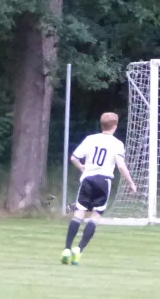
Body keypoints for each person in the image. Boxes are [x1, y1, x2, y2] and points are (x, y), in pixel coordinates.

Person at [61, 112, 137, 265]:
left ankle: (67, 249)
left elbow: (74, 158)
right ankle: (79, 249)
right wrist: (130, 183)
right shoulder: (117, 144)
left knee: (78, 214)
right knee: (95, 217)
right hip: (104, 181)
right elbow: (121, 166)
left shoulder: (91, 139)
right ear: (115, 126)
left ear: (102, 124)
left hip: (87, 179)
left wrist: (81, 167)